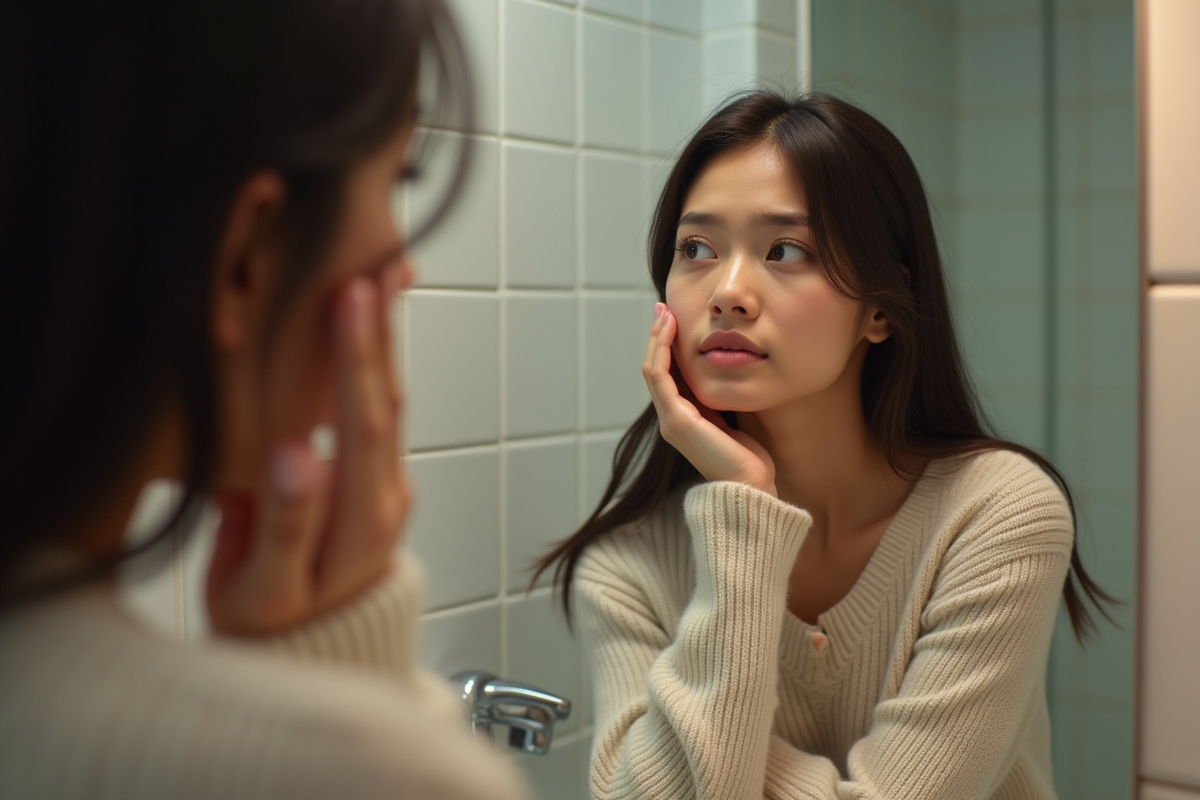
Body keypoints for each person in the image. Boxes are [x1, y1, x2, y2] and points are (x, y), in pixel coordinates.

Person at [0, 2, 526, 799]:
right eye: (397, 178)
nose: (406, 268)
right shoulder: (386, 777)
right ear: (245, 253)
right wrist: (352, 705)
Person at [535, 92, 1114, 800]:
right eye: (697, 249)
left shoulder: (998, 512)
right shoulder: (628, 567)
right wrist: (742, 515)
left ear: (880, 307)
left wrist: (728, 767)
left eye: (785, 250)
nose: (728, 291)